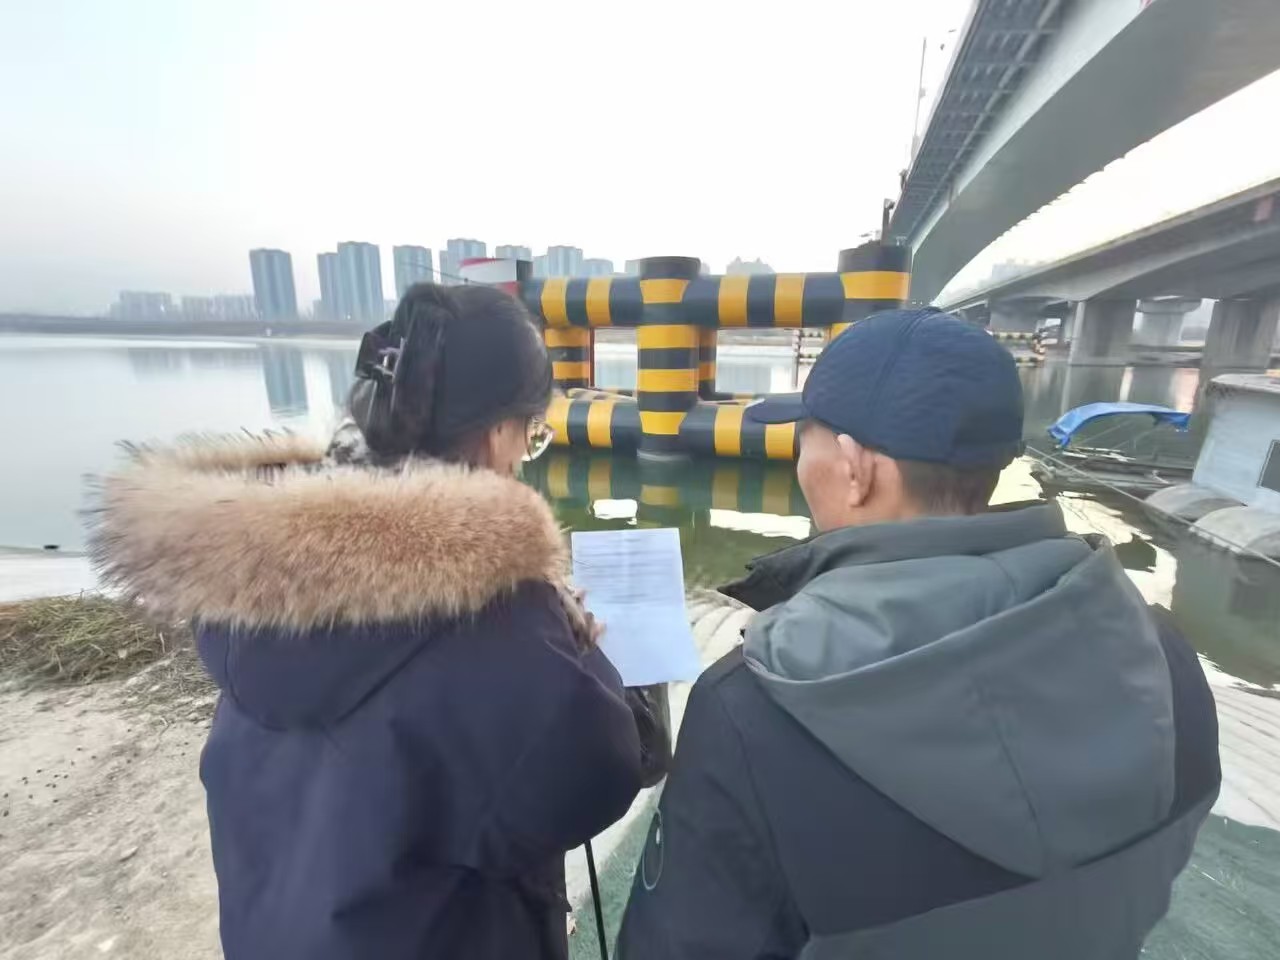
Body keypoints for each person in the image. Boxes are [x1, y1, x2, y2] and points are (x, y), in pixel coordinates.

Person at [616, 308, 1221, 959]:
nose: (799, 461)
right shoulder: (1162, 655)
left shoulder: (752, 709)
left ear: (856, 469)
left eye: (806, 440)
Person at [91, 283, 663, 960]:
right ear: (495, 433)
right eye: (531, 435)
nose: (521, 459)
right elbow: (599, 774)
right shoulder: (489, 616)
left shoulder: (260, 579)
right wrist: (588, 644)